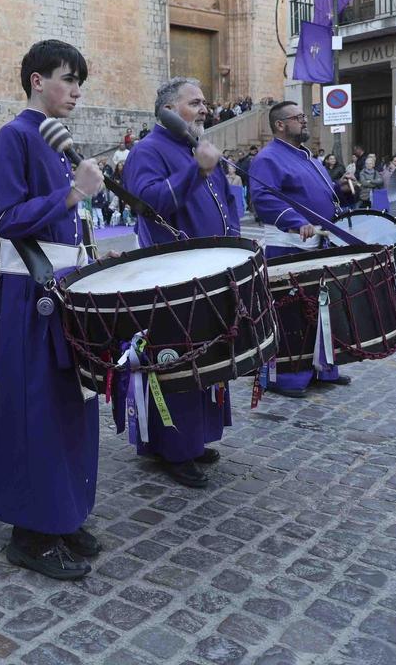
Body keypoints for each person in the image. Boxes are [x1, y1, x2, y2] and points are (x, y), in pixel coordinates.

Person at [0, 39, 104, 580]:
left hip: (66, 283)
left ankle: (63, 511)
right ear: (37, 80)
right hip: (32, 291)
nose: (76, 90)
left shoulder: (57, 140)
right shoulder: (13, 136)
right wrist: (70, 197)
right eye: (67, 78)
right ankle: (29, 532)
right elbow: (8, 218)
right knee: (36, 408)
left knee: (70, 404)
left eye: (79, 80)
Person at [120, 77, 239, 489]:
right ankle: (172, 447)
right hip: (173, 278)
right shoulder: (147, 151)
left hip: (212, 270)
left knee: (208, 358)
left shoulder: (198, 148)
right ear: (169, 109)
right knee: (178, 360)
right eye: (195, 102)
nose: (204, 108)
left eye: (205, 102)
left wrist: (234, 247)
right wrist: (196, 168)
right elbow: (150, 203)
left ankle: (196, 437)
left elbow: (226, 206)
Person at [248, 101, 351, 398]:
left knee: (320, 311)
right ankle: (287, 377)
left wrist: (342, 189)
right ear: (280, 125)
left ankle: (321, 368)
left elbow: (322, 195)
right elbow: (263, 199)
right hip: (288, 248)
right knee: (291, 315)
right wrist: (295, 222)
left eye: (304, 116)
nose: (305, 121)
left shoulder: (310, 158)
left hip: (319, 246)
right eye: (298, 118)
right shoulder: (268, 158)